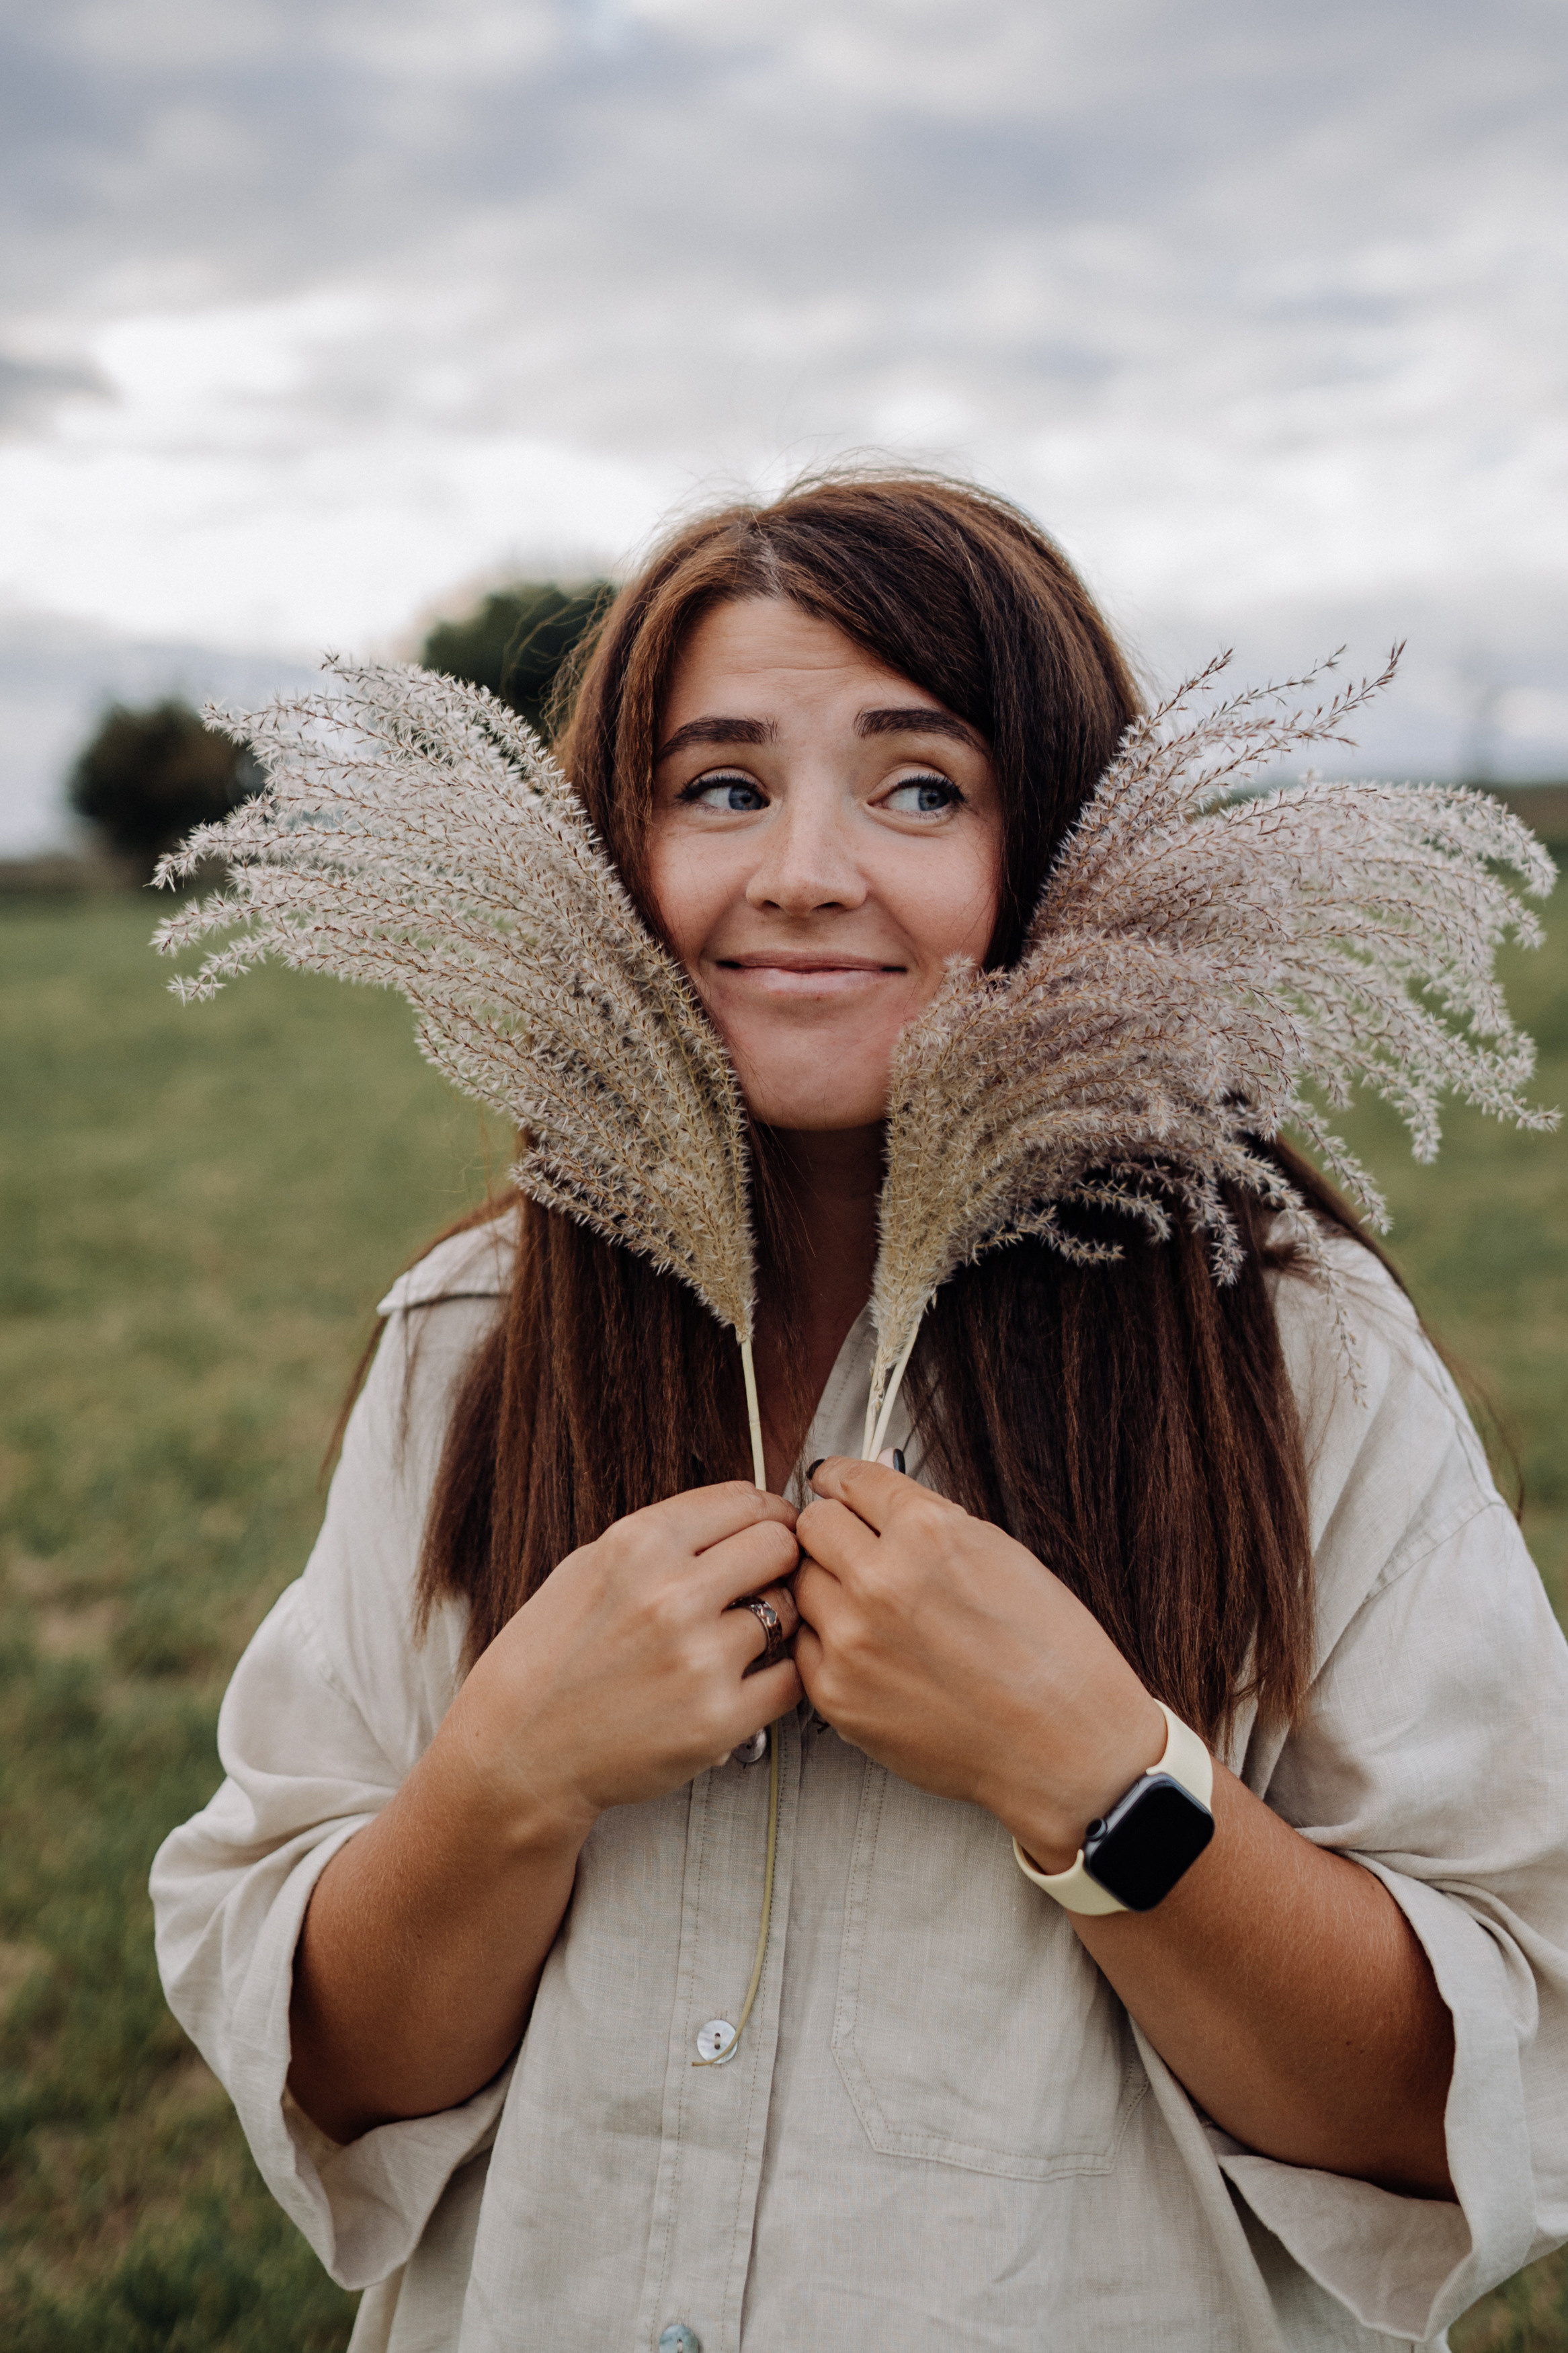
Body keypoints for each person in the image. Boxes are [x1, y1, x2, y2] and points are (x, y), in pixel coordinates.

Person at [152, 476, 1568, 2352]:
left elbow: (1462, 2107)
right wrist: (509, 1775)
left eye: (921, 787)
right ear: (615, 849)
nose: (805, 868)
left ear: (1063, 847)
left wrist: (1107, 1780)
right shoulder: (475, 1341)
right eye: (720, 785)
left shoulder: (1295, 1359)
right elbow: (333, 2072)